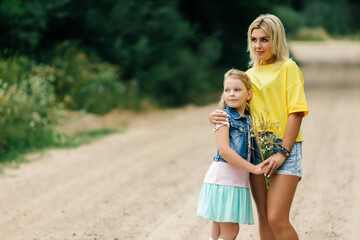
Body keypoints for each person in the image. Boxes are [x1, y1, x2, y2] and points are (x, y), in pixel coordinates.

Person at [209, 14, 309, 240]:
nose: (258, 45)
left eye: (265, 39)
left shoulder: (288, 68)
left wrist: (283, 152)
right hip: (255, 151)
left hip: (285, 149)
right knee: (264, 217)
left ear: (276, 39)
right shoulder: (249, 76)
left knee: (276, 217)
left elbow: (297, 112)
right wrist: (214, 116)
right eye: (254, 40)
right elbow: (233, 108)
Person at [197, 68, 270, 240]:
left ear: (249, 94)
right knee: (230, 232)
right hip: (223, 181)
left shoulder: (250, 119)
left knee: (217, 234)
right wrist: (254, 168)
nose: (231, 94)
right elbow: (225, 151)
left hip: (234, 182)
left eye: (237, 90)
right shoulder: (222, 117)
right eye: (227, 90)